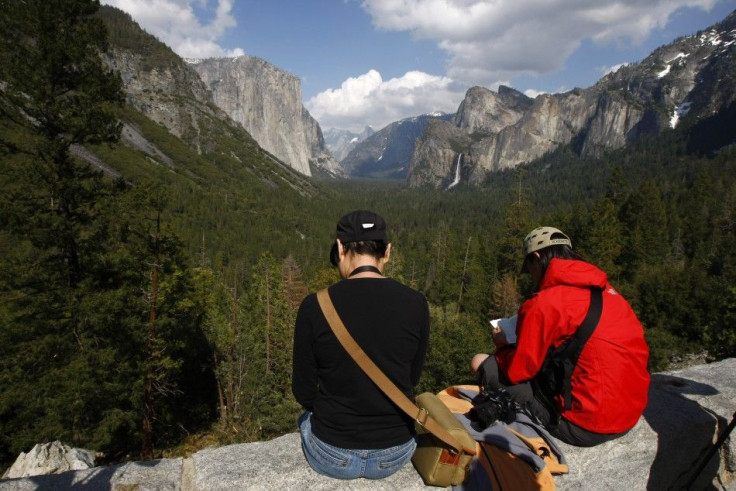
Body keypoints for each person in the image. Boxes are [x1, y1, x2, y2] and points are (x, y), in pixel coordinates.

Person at [470, 226, 650, 447]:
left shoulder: (545, 303)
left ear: (536, 258)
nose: (531, 277)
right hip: (629, 413)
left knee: (481, 363)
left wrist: (503, 346)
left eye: (529, 268)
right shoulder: (608, 292)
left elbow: (517, 371)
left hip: (585, 425)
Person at [292, 210, 430, 479]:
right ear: (387, 252)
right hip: (395, 452)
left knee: (303, 420)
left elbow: (304, 393)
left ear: (341, 248)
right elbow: (412, 377)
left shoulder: (314, 305)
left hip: (331, 454)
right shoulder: (416, 303)